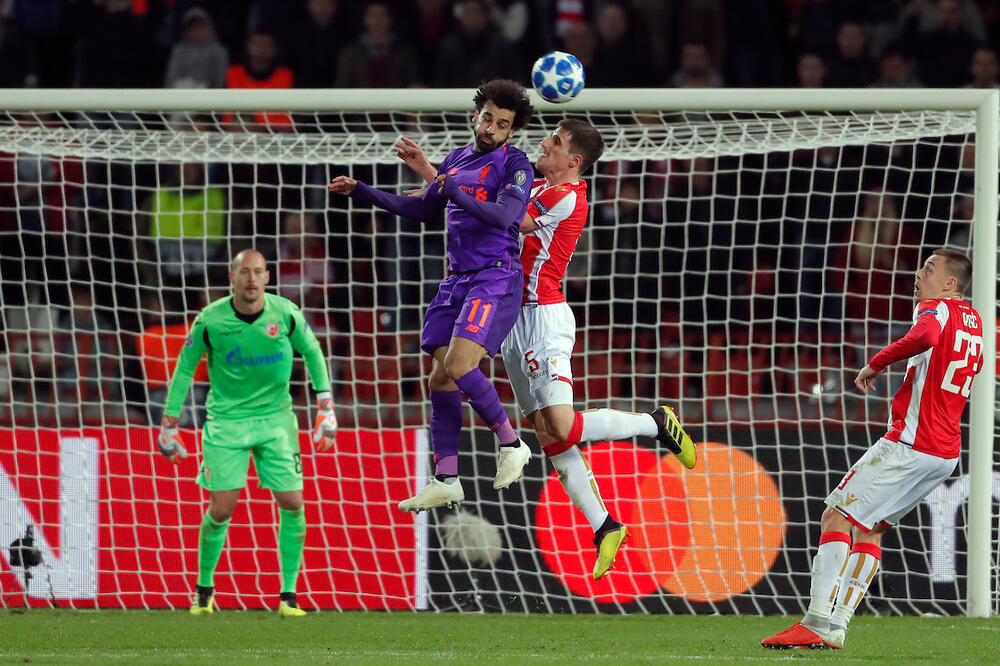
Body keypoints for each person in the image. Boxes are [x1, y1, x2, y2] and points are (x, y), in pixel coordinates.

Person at [395, 118, 697, 579]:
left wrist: (444, 184)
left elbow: (506, 217)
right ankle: (605, 526)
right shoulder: (536, 185)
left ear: (573, 160)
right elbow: (471, 198)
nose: (543, 143)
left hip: (544, 318)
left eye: (554, 141)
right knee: (547, 432)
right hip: (509, 315)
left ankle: (655, 423)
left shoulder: (567, 195)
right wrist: (430, 181)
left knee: (561, 423)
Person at [328, 79, 534, 513]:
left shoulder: (515, 163)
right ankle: (446, 479)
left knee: (459, 365)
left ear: (512, 131)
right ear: (476, 115)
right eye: (488, 117)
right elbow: (423, 209)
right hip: (457, 279)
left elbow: (506, 216)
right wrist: (362, 191)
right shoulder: (456, 160)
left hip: (495, 276)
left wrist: (451, 188)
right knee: (440, 378)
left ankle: (512, 444)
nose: (491, 128)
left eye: (502, 123)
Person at [762, 248, 983, 649]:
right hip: (945, 454)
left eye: (929, 269)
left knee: (835, 515)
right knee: (872, 527)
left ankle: (815, 621)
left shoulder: (935, 309)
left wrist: (877, 362)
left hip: (911, 442)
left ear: (950, 284)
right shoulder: (975, 321)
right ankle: (837, 626)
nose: (918, 275)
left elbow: (926, 336)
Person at [155, 249, 338, 617]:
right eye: (244, 272)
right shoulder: (210, 320)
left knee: (293, 503)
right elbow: (184, 368)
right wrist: (169, 424)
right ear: (232, 277)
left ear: (267, 277)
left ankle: (289, 596)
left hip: (276, 421)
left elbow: (313, 351)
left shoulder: (285, 313)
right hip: (226, 423)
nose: (251, 278)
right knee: (222, 508)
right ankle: (204, 591)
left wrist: (326, 408)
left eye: (258, 271)